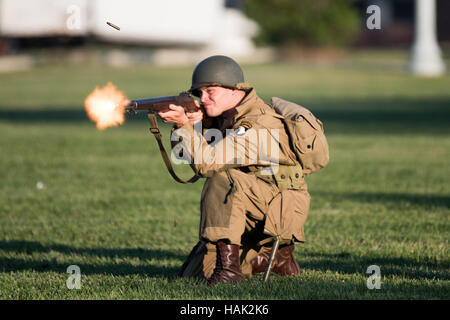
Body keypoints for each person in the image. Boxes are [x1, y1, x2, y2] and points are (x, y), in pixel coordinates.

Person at [157, 55, 310, 285]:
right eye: (199, 94)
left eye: (211, 91)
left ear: (234, 89)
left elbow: (206, 165)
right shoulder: (228, 117)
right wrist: (195, 124)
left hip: (281, 208)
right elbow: (180, 157)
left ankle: (231, 272)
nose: (204, 99)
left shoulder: (256, 123)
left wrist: (183, 125)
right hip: (254, 202)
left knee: (221, 178)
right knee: (195, 273)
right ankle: (274, 258)